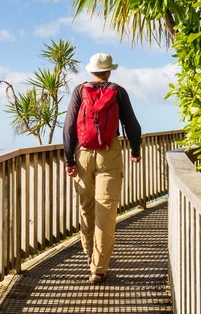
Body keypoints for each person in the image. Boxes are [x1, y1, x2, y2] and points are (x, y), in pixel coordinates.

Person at [63, 53, 142, 283]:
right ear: (109, 71)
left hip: (83, 153)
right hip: (110, 152)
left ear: (91, 71)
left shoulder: (79, 91)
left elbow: (69, 126)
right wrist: (135, 151)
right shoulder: (118, 91)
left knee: (87, 208)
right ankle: (98, 268)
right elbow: (132, 124)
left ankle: (91, 256)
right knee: (106, 212)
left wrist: (69, 159)